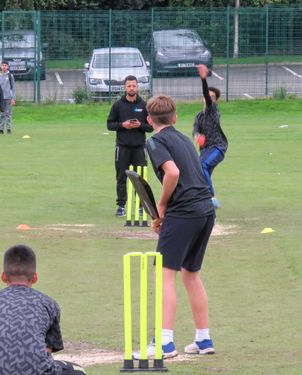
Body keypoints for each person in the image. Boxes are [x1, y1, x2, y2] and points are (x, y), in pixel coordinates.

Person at [136, 95, 216, 359]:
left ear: (149, 120)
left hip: (186, 212)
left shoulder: (155, 141)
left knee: (164, 273)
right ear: (175, 118)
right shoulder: (183, 138)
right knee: (190, 274)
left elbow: (172, 173)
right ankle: (203, 339)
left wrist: (161, 206)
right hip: (205, 209)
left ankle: (164, 342)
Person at [0, 244, 86, 375]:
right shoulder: (49, 304)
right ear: (35, 277)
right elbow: (48, 349)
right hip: (39, 371)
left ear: (3, 276)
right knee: (78, 371)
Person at [107, 75, 152, 216]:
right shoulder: (118, 105)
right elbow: (109, 124)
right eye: (129, 86)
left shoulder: (144, 105)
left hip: (139, 147)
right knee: (121, 177)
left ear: (137, 87)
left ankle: (140, 206)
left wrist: (140, 125)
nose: (131, 88)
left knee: (140, 178)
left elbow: (150, 127)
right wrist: (123, 125)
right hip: (123, 147)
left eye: (134, 86)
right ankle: (121, 206)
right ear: (124, 87)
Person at [192, 64, 228, 209]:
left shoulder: (213, 110)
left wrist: (203, 79)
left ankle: (211, 197)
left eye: (213, 97)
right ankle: (204, 204)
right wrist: (197, 136)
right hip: (205, 149)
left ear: (215, 101)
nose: (209, 98)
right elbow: (195, 130)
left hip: (218, 147)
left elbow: (208, 97)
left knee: (201, 166)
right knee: (200, 174)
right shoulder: (199, 116)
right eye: (208, 96)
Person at [0, 61, 16, 134]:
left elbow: (13, 88)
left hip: (8, 98)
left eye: (5, 65)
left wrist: (13, 98)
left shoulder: (10, 76)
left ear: (7, 67)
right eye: (3, 65)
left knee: (8, 114)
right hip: (0, 98)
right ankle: (1, 129)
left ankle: (9, 129)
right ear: (0, 66)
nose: (4, 67)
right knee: (1, 114)